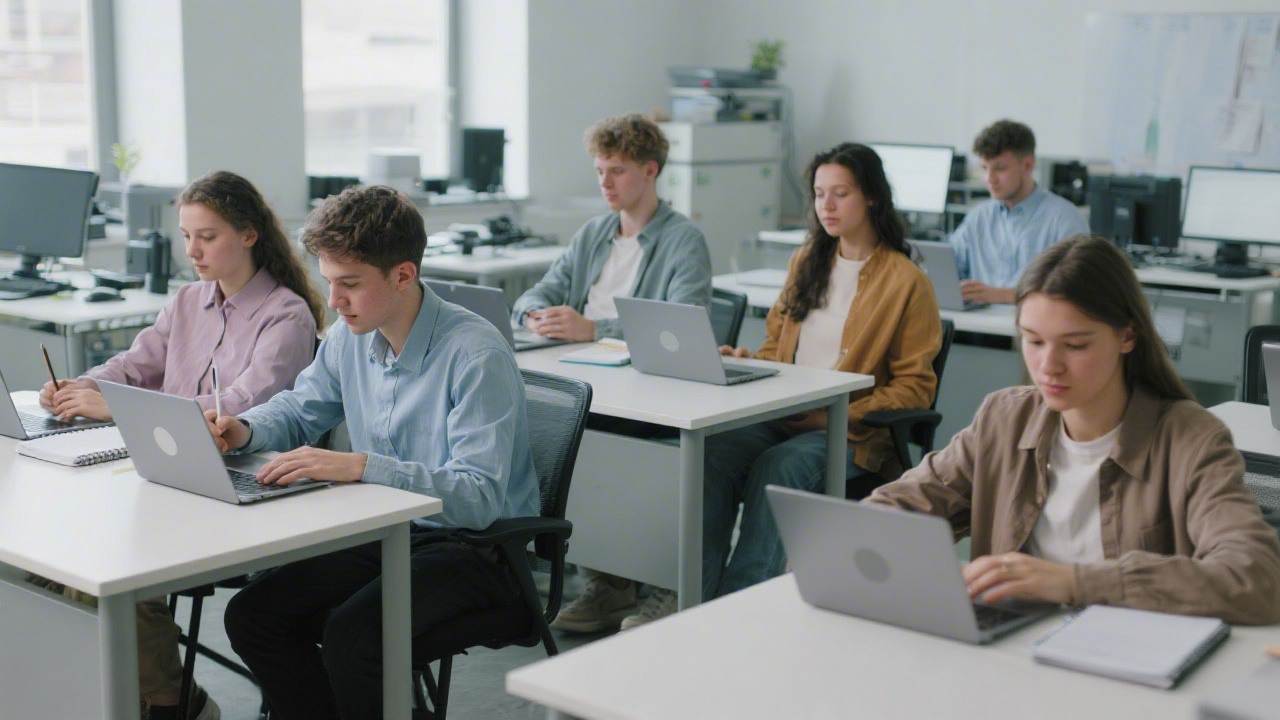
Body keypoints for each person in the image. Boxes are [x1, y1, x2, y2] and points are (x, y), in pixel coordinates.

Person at [556, 143, 944, 633]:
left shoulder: (907, 281)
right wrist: (748, 361)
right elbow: (777, 350)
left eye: (840, 194)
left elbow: (915, 390)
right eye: (820, 194)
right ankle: (683, 596)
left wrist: (832, 414)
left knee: (778, 467)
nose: (826, 205)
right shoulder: (808, 261)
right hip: (782, 414)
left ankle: (736, 615)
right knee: (710, 457)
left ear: (871, 198)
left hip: (850, 432)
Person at [215, 185, 539, 719]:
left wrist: (362, 467)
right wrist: (243, 429)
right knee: (253, 614)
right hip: (387, 532)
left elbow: (478, 498)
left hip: (475, 548)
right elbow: (302, 407)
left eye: (350, 285)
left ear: (403, 275)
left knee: (354, 636)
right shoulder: (349, 335)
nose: (334, 301)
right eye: (329, 283)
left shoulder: (475, 354)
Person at [866, 235, 1280, 625]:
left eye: (1075, 345)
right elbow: (901, 502)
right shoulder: (1004, 418)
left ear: (1127, 336)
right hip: (1009, 657)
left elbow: (1257, 578)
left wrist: (1072, 582)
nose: (1048, 366)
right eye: (1033, 341)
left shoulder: (1191, 439)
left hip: (1128, 663)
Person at [31, 170, 323, 720]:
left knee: (112, 568)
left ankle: (170, 705)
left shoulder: (286, 315)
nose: (192, 250)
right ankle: (124, 697)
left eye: (207, 237)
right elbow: (133, 364)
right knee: (61, 563)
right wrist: (82, 388)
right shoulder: (189, 300)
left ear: (249, 235)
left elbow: (235, 405)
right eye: (186, 235)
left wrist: (113, 406)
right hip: (161, 476)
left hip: (234, 489)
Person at [511, 112, 712, 341]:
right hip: (574, 354)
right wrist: (534, 316)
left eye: (617, 171)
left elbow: (684, 328)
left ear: (650, 171)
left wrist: (594, 330)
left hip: (631, 367)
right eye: (599, 171)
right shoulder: (593, 233)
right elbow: (539, 293)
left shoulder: (684, 241)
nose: (605, 183)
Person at [948, 119, 1088, 305]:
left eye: (999, 168)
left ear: (1027, 166)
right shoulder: (978, 217)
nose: (989, 179)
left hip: (1035, 329)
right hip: (977, 327)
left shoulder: (1064, 218)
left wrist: (1005, 295)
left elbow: (1076, 290)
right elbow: (949, 266)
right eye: (984, 168)